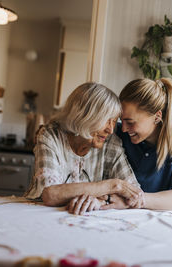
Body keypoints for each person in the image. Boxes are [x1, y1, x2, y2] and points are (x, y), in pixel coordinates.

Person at [24, 82, 144, 214]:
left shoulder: (110, 142)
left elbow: (135, 194)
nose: (110, 130)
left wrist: (101, 201)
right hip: (41, 216)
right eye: (106, 120)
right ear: (84, 116)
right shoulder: (51, 136)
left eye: (114, 121)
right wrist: (113, 185)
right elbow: (50, 194)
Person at [103, 78, 172, 210]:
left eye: (131, 122)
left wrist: (133, 201)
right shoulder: (117, 135)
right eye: (122, 120)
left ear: (157, 117)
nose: (124, 128)